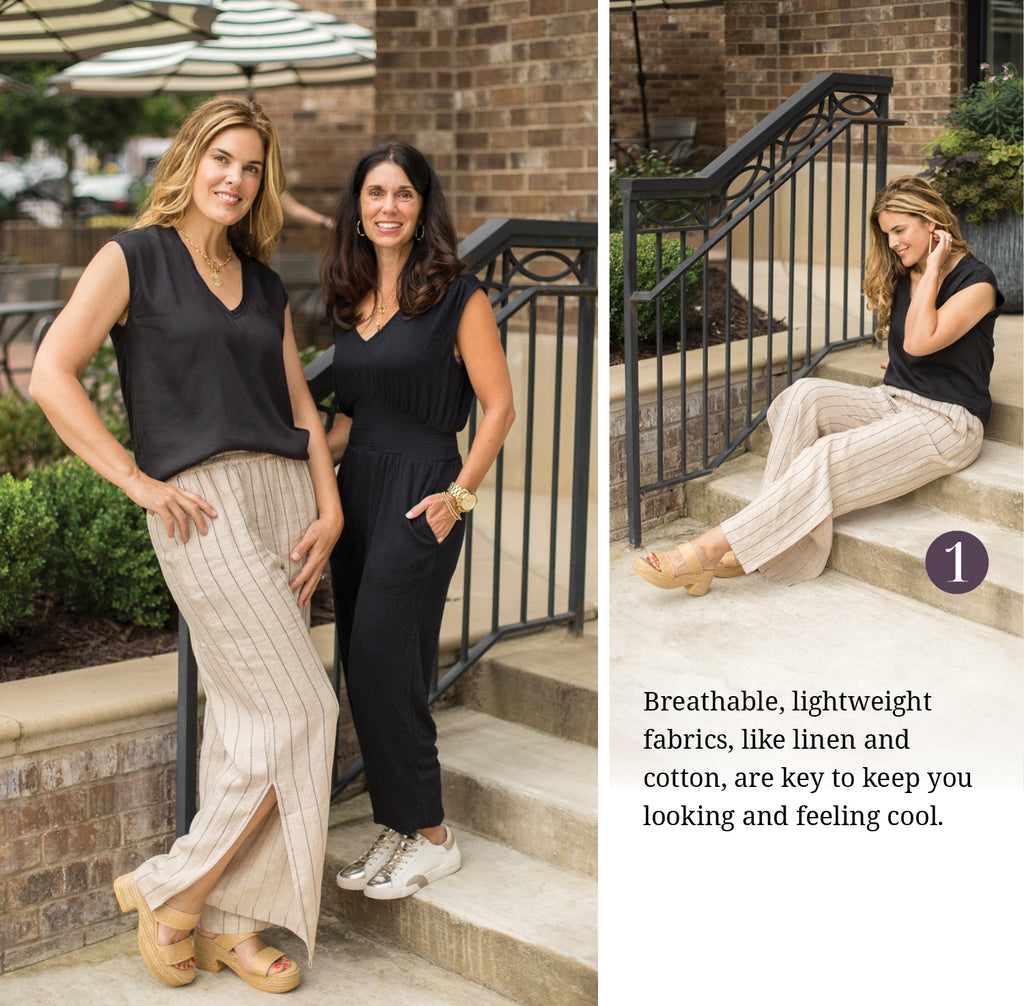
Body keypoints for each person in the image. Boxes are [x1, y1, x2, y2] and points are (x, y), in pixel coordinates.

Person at [30, 97, 342, 993]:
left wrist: (331, 507)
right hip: (196, 505)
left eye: (251, 167)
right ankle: (172, 889)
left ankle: (228, 927)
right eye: (222, 160)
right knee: (306, 711)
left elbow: (300, 410)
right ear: (189, 159)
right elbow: (52, 373)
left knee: (250, 721)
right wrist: (133, 480)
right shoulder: (133, 257)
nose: (235, 180)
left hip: (284, 498)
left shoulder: (267, 283)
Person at [633, 175, 1002, 594]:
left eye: (900, 230)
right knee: (803, 395)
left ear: (932, 221)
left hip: (946, 422)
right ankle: (771, 537)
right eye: (887, 234)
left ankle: (705, 551)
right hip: (896, 398)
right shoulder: (906, 271)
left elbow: (920, 340)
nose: (894, 243)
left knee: (825, 455)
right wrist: (906, 360)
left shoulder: (977, 282)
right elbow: (913, 347)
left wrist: (935, 266)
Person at [320, 141, 514, 899]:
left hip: (424, 492)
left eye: (403, 194)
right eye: (375, 193)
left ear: (422, 206)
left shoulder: (457, 295)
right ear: (358, 208)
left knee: (382, 663)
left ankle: (432, 834)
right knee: (365, 669)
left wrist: (458, 497)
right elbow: (345, 420)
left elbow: (498, 406)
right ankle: (400, 825)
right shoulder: (349, 297)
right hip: (359, 488)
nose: (388, 207)